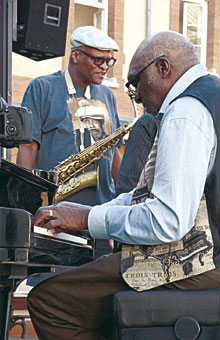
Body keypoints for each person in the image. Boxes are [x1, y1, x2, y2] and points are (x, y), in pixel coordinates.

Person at [27, 30, 220, 340]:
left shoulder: (185, 113)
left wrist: (86, 219)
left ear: (163, 68)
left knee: (50, 300)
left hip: (210, 263)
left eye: (135, 82)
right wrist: (85, 212)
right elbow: (150, 193)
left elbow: (168, 220)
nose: (134, 95)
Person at [16, 26, 123, 260]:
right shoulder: (42, 88)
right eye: (98, 60)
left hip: (100, 219)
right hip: (55, 219)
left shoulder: (108, 96)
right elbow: (28, 147)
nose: (105, 67)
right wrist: (25, 207)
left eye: (110, 61)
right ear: (76, 55)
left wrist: (127, 203)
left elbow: (114, 152)